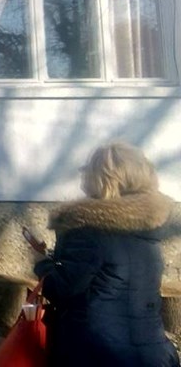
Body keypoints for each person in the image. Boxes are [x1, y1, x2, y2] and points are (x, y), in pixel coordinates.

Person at [33, 142, 179, 367]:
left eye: (87, 170)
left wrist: (41, 264)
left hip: (96, 353)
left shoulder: (87, 229)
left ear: (99, 178)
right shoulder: (148, 229)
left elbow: (62, 288)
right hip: (152, 353)